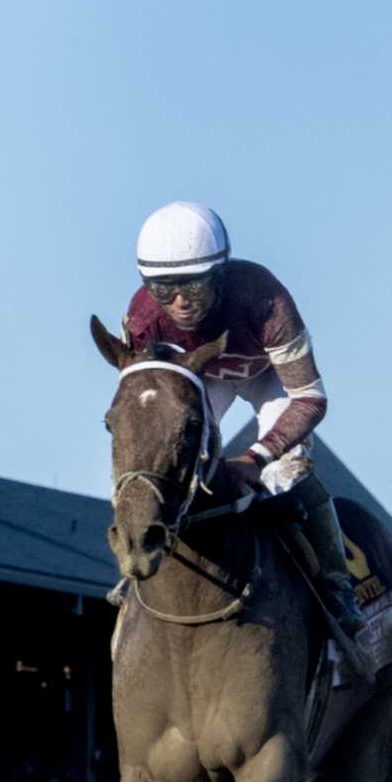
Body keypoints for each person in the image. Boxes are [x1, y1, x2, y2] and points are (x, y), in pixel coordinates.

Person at [123, 202, 366, 657]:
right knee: (170, 459)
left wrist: (256, 457)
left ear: (220, 275)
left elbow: (310, 398)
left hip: (270, 374)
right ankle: (139, 565)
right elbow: (150, 411)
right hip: (203, 376)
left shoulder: (265, 299)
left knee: (287, 470)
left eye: (192, 286)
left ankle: (337, 587)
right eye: (163, 289)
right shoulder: (142, 319)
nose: (179, 302)